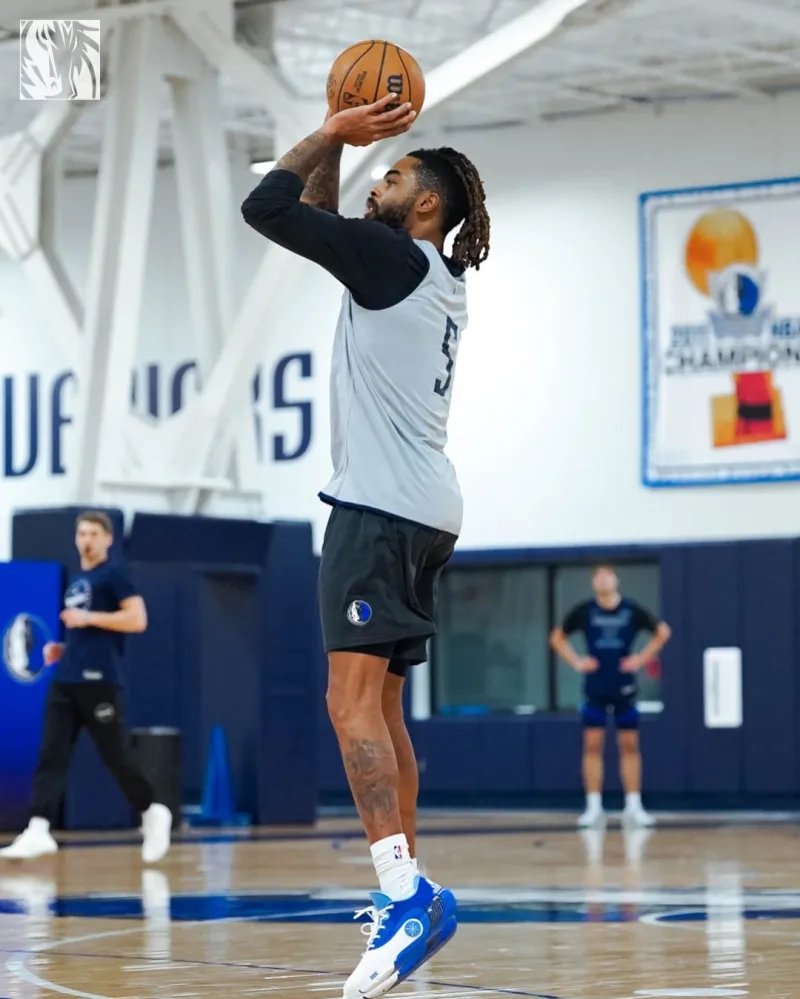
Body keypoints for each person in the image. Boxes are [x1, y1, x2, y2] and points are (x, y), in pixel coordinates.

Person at [241, 94, 490, 996]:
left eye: (395, 176)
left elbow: (268, 210)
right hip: (428, 508)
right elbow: (317, 220)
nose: (379, 184)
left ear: (425, 205)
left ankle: (402, 893)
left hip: (378, 508)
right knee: (381, 710)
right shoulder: (430, 272)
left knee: (348, 709)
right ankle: (409, 894)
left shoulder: (389, 260)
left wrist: (331, 134)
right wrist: (344, 155)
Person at [0, 512, 172, 864]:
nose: (87, 539)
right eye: (82, 533)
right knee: (51, 753)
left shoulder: (115, 574)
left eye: (94, 533)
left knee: (116, 757)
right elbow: (86, 631)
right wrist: (63, 649)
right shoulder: (79, 578)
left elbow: (137, 620)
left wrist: (88, 618)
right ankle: (38, 827)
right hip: (66, 677)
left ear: (108, 539)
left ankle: (152, 810)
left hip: (98, 681)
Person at [550, 565, 671, 829]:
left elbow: (663, 632)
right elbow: (557, 638)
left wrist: (641, 658)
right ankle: (594, 807)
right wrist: (577, 662)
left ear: (616, 580)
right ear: (594, 583)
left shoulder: (631, 609)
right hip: (595, 685)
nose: (604, 579)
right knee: (592, 746)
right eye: (598, 576)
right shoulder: (585, 611)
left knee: (629, 745)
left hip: (624, 685)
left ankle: (633, 806)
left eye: (608, 575)